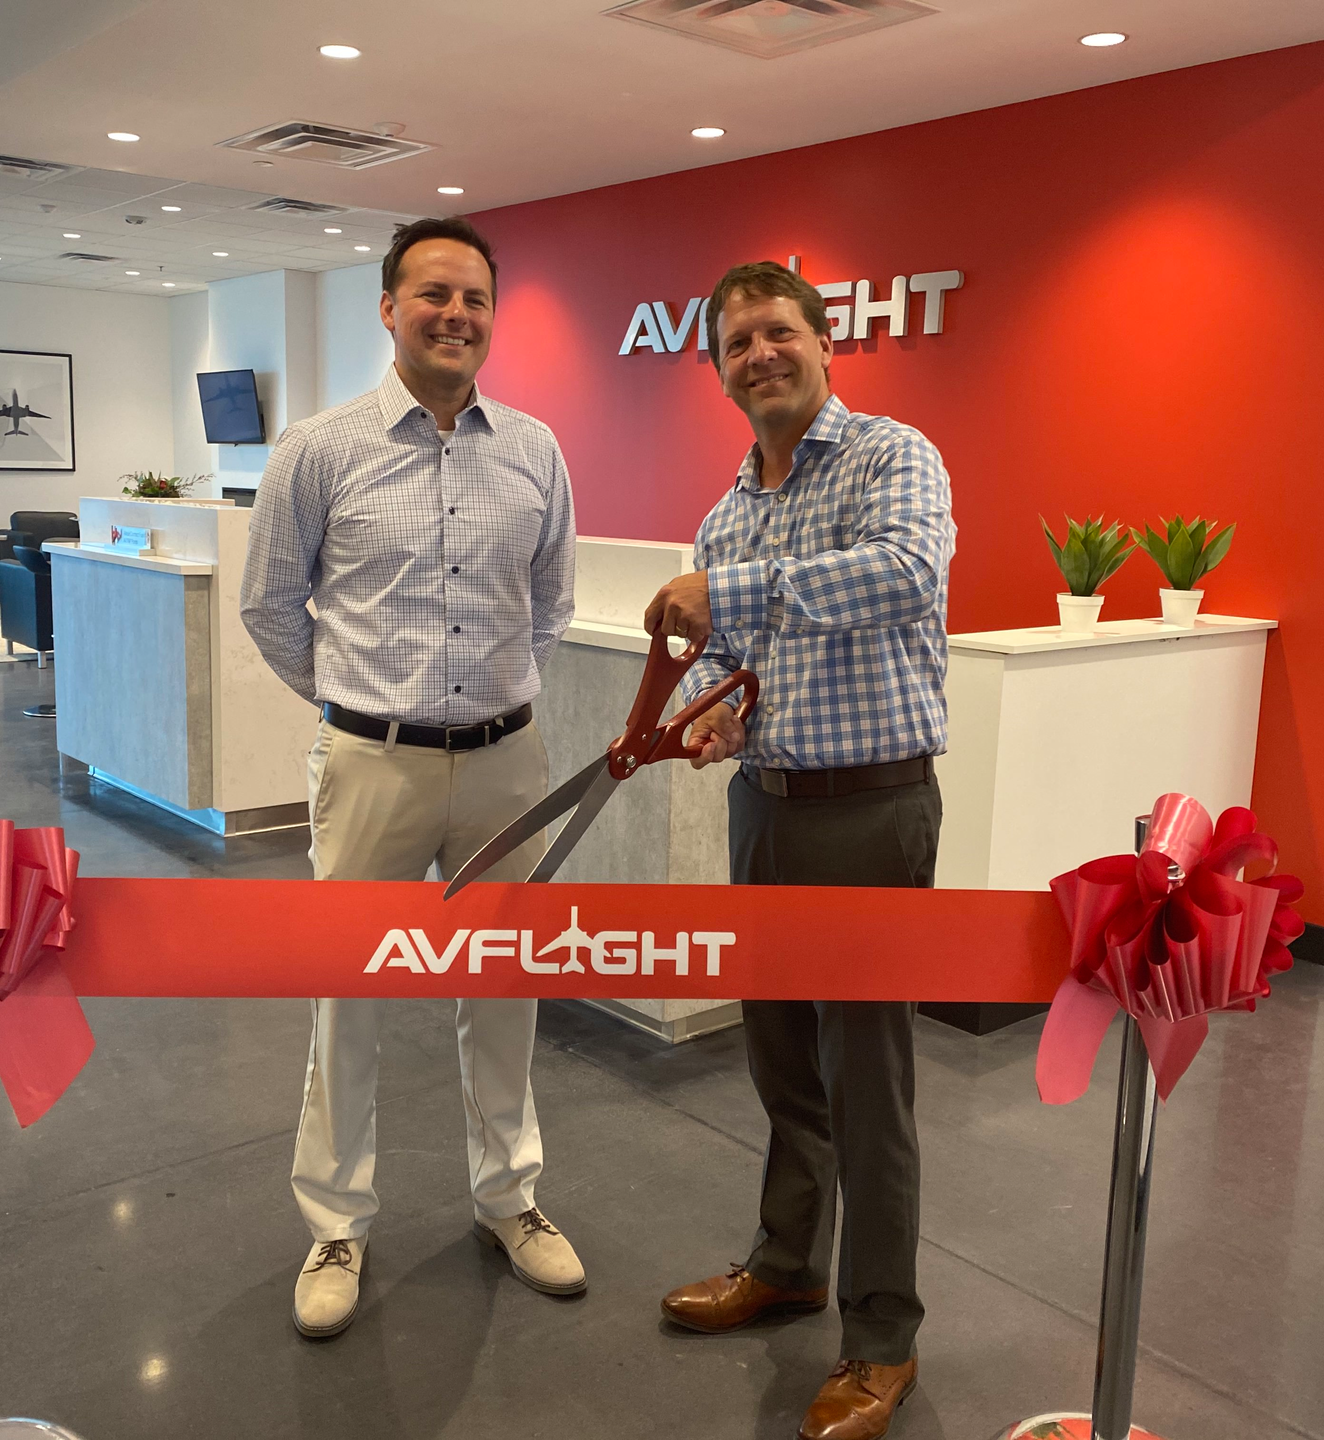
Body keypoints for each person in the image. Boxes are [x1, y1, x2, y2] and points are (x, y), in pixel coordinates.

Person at [240, 215, 584, 1341]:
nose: (456, 316)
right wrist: (357, 708)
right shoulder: (318, 449)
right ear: (386, 308)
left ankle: (511, 1200)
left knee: (507, 985)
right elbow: (270, 609)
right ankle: (336, 1221)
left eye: (476, 299)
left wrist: (489, 705)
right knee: (348, 993)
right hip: (371, 763)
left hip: (505, 763)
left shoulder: (534, 449)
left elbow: (552, 606)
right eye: (433, 294)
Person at [648, 260, 955, 1440]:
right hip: (766, 804)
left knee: (868, 1086)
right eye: (737, 343)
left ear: (829, 345)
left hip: (874, 813)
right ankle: (787, 1264)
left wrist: (730, 594)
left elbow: (901, 577)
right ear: (720, 371)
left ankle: (883, 1339)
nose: (760, 354)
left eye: (779, 332)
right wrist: (732, 713)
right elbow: (756, 664)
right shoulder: (727, 513)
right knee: (781, 1059)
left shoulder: (894, 458)